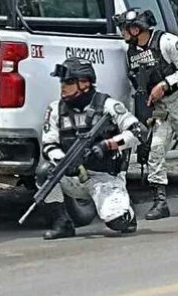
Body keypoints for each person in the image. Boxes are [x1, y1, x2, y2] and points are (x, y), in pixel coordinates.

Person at [120, 8, 178, 219]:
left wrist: (165, 83)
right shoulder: (132, 52)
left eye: (125, 29)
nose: (122, 33)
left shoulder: (167, 42)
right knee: (155, 150)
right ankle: (160, 202)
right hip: (161, 107)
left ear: (137, 29)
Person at [40, 57, 149, 240]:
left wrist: (108, 145)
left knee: (117, 223)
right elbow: (48, 144)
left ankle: (126, 214)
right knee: (45, 173)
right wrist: (64, 162)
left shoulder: (108, 105)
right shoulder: (55, 109)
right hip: (74, 177)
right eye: (62, 82)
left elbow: (139, 133)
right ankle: (63, 223)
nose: (63, 87)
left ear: (84, 83)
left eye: (68, 82)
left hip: (104, 176)